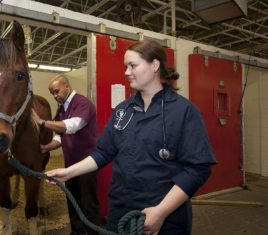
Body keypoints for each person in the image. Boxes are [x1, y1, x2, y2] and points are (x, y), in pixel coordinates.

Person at [45, 40, 217, 235]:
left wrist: (161, 212)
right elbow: (103, 153)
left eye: (132, 66)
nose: (126, 72)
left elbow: (197, 169)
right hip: (121, 212)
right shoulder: (122, 111)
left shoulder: (184, 111)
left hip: (164, 216)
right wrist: (69, 172)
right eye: (126, 66)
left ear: (154, 65)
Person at [32, 75, 101, 235]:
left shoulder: (82, 103)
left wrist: (41, 122)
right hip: (70, 163)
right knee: (73, 200)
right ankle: (76, 232)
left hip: (86, 163)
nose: (55, 96)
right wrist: (45, 148)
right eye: (52, 94)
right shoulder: (62, 108)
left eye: (56, 91)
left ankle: (92, 233)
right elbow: (59, 136)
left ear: (67, 87)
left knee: (88, 203)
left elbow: (72, 126)